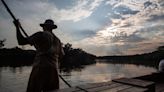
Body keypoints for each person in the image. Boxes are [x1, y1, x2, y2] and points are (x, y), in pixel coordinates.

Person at [13, 19, 64, 92]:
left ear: (44, 27)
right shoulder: (58, 40)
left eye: (43, 26)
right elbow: (61, 55)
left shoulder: (41, 34)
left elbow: (21, 41)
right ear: (52, 28)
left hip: (40, 68)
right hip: (54, 70)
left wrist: (17, 27)